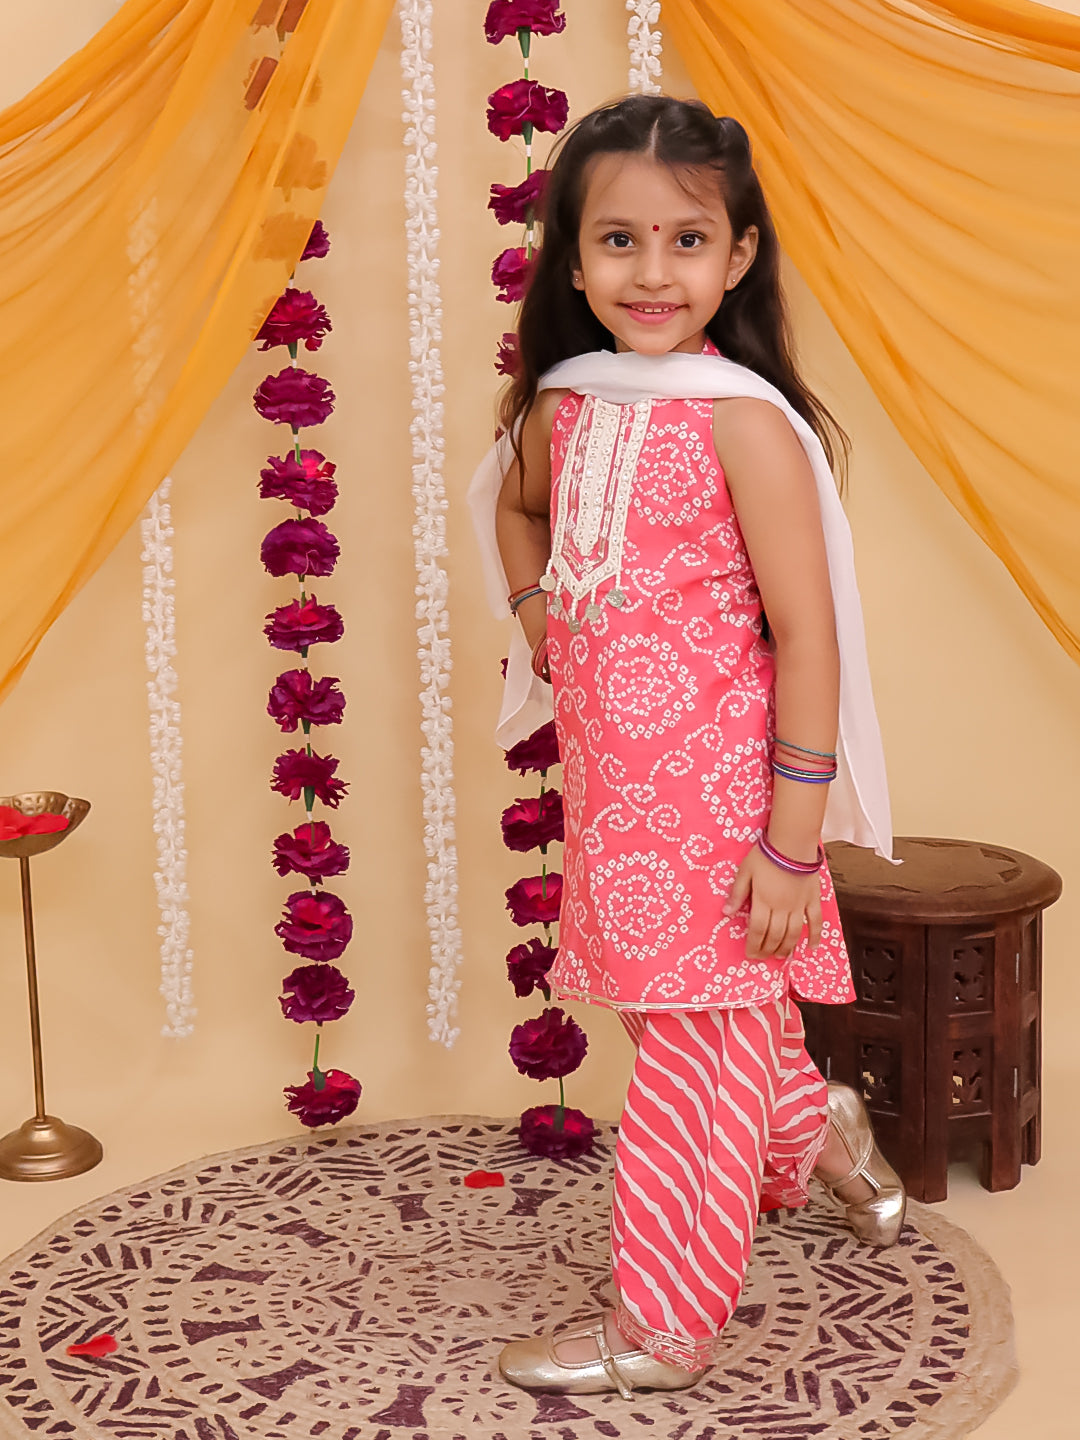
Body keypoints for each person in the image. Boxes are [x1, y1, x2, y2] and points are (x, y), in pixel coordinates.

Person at [472, 94, 905, 1401]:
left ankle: (661, 1327)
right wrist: (539, 611)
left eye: (686, 240)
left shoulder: (741, 422)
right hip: (616, 800)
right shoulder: (565, 407)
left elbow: (809, 640)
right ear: (572, 257)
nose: (652, 273)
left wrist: (793, 843)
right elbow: (515, 509)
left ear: (738, 255)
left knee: (687, 1063)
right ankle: (820, 1125)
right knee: (690, 1022)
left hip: (727, 811)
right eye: (619, 240)